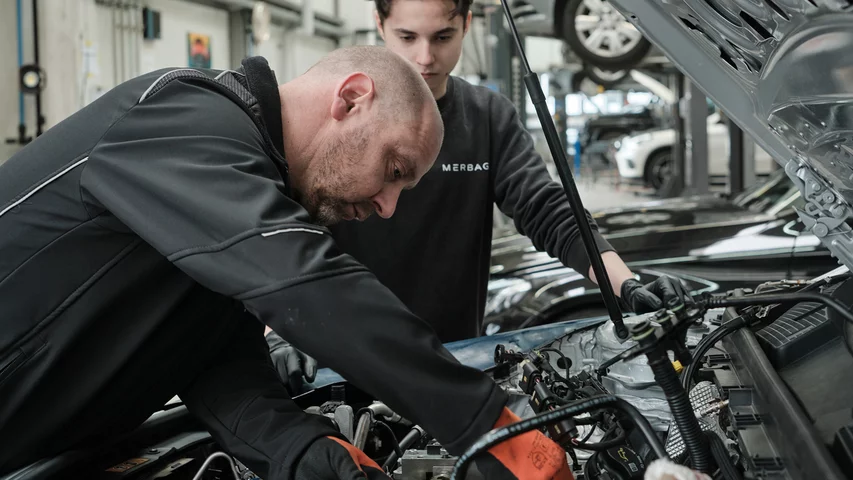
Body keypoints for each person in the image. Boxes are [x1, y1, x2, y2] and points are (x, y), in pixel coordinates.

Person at [0, 47, 572, 479]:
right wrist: (487, 423)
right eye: (394, 170)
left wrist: (309, 452)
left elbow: (218, 372)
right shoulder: (181, 118)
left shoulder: (235, 208)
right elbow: (309, 286)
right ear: (351, 99)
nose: (388, 206)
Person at [270, 0, 693, 390]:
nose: (425, 57)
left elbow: (546, 208)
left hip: (452, 358)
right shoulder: (340, 121)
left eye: (442, 36)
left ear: (467, 24)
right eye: (407, 37)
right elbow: (279, 232)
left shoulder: (487, 118)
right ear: (379, 24)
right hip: (333, 367)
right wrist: (278, 329)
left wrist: (626, 285)